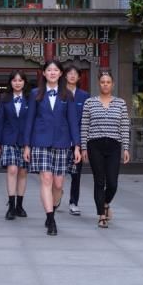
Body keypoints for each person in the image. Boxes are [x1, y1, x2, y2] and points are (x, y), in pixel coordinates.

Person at [23, 60, 81, 236]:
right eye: (49, 70)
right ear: (44, 73)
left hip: (62, 142)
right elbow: (29, 121)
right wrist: (27, 145)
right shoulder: (35, 94)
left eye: (56, 70)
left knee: (58, 184)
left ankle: (52, 210)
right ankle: (50, 219)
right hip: (40, 142)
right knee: (46, 180)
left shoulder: (67, 95)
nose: (52, 73)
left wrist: (77, 146)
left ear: (61, 73)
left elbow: (72, 122)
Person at [80, 70, 130, 228]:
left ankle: (106, 203)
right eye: (103, 82)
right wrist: (83, 148)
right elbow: (84, 126)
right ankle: (101, 215)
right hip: (95, 144)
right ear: (99, 84)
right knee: (99, 181)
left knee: (113, 183)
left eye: (108, 82)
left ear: (112, 84)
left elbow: (124, 126)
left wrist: (126, 148)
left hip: (114, 145)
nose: (105, 85)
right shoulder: (90, 103)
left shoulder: (120, 103)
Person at [0, 70, 30, 220]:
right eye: (14, 80)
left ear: (24, 82)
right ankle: (11, 206)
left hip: (25, 140)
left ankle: (19, 206)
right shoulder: (4, 98)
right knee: (12, 170)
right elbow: (0, 121)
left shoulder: (31, 98)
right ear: (10, 82)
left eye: (20, 80)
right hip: (8, 139)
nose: (17, 83)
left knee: (22, 172)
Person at [65, 64, 90, 216]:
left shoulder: (84, 96)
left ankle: (74, 202)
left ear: (79, 77)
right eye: (70, 73)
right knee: (57, 174)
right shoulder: (59, 93)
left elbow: (86, 120)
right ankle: (56, 195)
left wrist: (82, 143)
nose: (72, 75)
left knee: (76, 174)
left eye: (75, 73)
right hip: (61, 139)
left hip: (78, 141)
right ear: (65, 76)